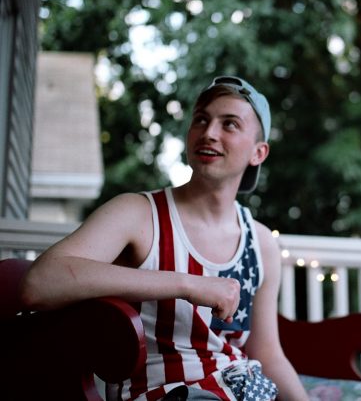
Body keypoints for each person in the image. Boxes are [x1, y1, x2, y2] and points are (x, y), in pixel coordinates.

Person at [20, 76, 309, 401]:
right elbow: (39, 283)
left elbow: (268, 355)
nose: (209, 132)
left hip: (248, 390)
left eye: (229, 124)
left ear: (259, 152)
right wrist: (187, 284)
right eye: (201, 119)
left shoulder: (261, 244)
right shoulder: (138, 214)